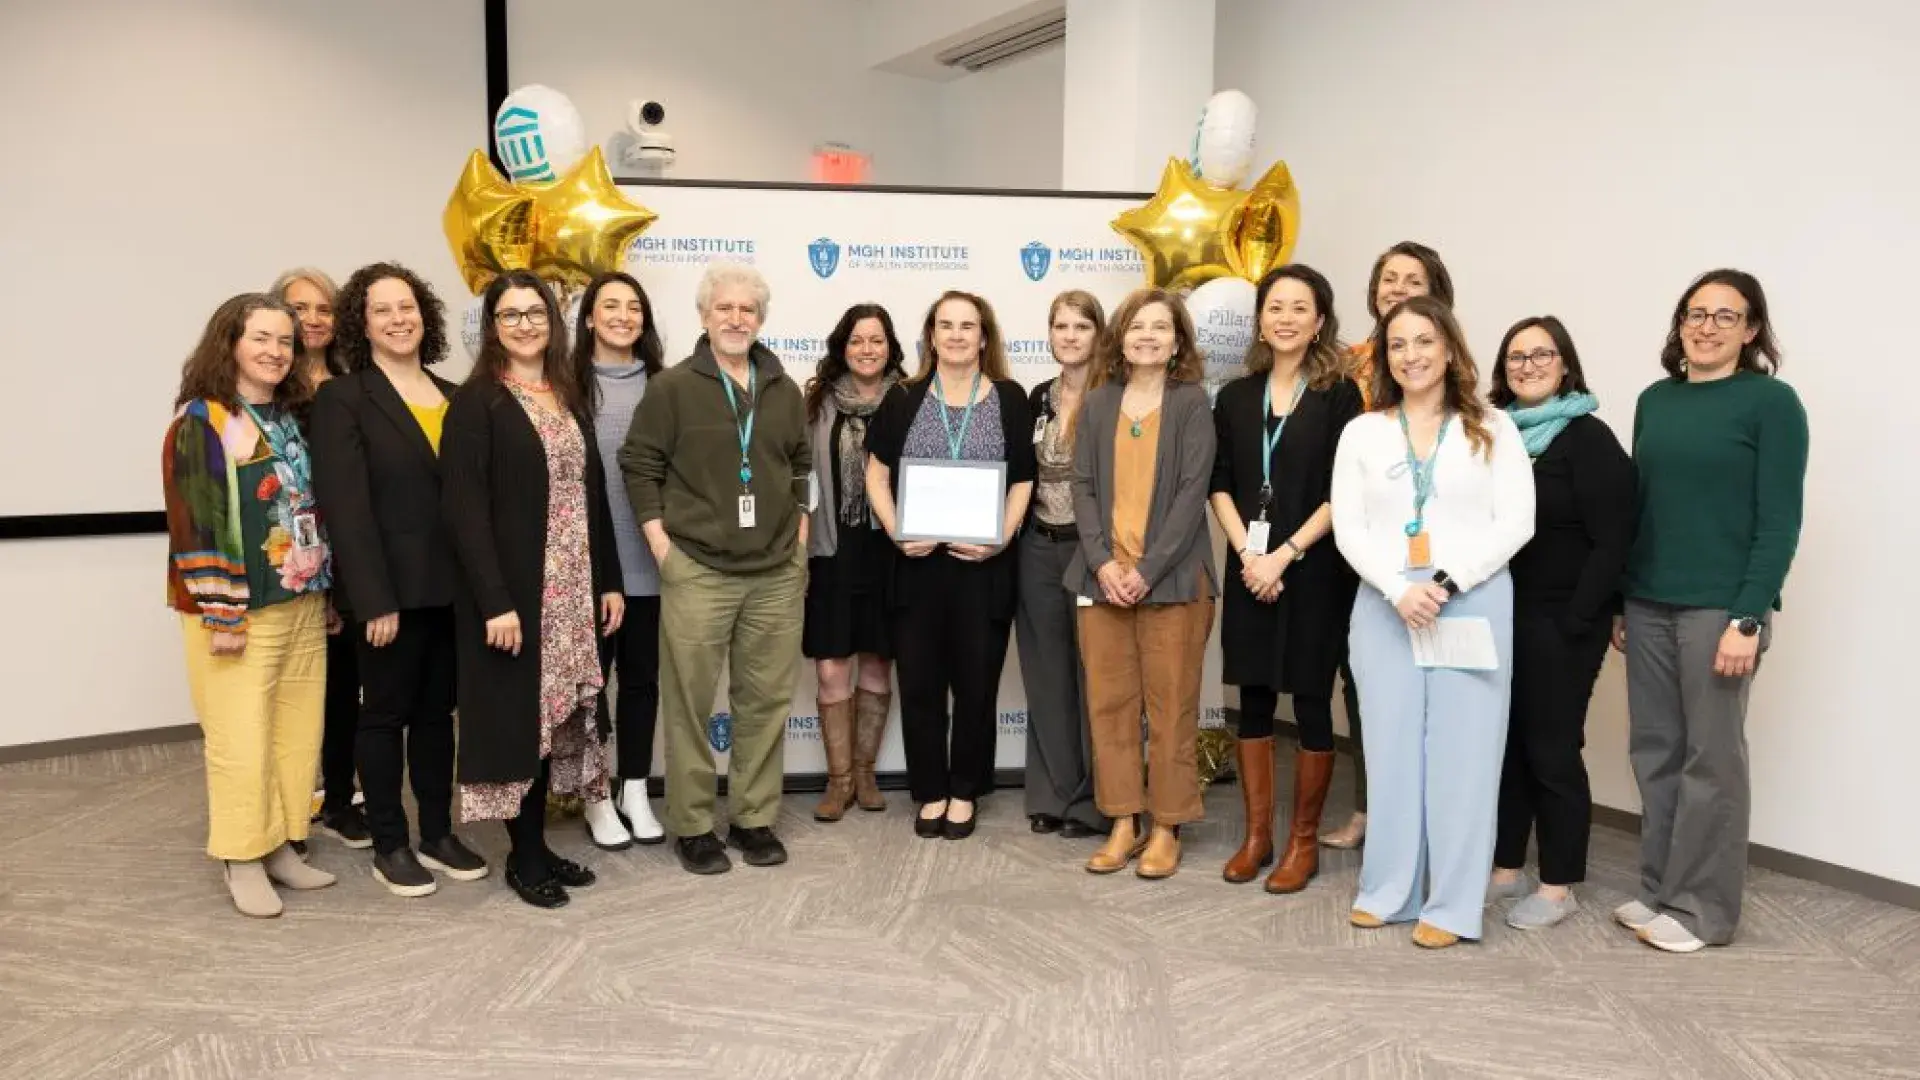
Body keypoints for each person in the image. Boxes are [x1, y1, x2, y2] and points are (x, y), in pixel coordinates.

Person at [1612, 270, 1807, 954]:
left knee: (1712, 759)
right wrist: (1621, 600)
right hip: (1649, 599)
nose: (1708, 326)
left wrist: (1748, 615)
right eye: (1697, 313)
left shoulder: (1771, 404)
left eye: (1728, 316)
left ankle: (1704, 911)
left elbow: (1779, 520)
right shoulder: (1654, 401)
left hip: (1720, 608)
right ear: (1680, 324)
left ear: (1751, 331)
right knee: (1656, 751)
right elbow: (1641, 509)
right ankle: (1663, 887)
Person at [1333, 295, 1532, 948]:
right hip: (1385, 605)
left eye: (1423, 341)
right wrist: (1398, 587)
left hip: (1469, 603)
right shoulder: (1364, 432)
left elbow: (1516, 523)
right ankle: (1389, 890)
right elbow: (1350, 526)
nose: (1410, 354)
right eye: (1397, 344)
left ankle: (1450, 906)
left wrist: (1444, 583)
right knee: (1388, 753)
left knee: (1464, 760)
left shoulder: (1493, 428)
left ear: (1449, 348)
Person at [620, 262, 810, 875]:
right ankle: (695, 825)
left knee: (765, 700)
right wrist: (660, 545)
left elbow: (801, 461)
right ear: (704, 316)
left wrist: (801, 527)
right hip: (698, 567)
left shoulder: (783, 386)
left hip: (777, 570)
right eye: (724, 308)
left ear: (760, 319)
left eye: (747, 310)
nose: (736, 318)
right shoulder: (673, 386)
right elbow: (640, 464)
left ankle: (754, 818)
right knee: (690, 703)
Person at [443, 271, 624, 909]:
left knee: (556, 721)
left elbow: (592, 495)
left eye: (535, 313)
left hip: (574, 591)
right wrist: (495, 601)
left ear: (552, 321)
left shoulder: (566, 393)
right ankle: (522, 857)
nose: (525, 324)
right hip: (519, 598)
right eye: (510, 315)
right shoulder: (478, 402)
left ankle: (541, 846)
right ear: (493, 327)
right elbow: (464, 511)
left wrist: (610, 582)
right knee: (521, 725)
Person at [311, 262, 488, 897]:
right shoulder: (344, 399)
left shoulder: (455, 393)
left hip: (453, 593)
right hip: (390, 596)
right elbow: (345, 507)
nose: (398, 319)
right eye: (382, 310)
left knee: (440, 716)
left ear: (425, 314)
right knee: (384, 718)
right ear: (363, 324)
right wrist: (370, 597)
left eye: (406, 306)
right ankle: (391, 841)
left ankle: (437, 833)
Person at [164, 293, 337, 917]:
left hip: (301, 601)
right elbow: (198, 523)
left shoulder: (288, 416)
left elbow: (308, 509)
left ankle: (283, 844)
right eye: (261, 338)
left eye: (285, 341)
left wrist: (327, 590)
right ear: (229, 342)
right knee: (241, 737)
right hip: (237, 611)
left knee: (295, 733)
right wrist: (222, 612)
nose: (275, 351)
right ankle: (241, 856)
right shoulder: (204, 421)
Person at [1209, 266, 1362, 891]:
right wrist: (1250, 553)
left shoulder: (1340, 396)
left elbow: (1342, 492)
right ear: (1261, 319)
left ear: (1319, 320)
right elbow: (1220, 484)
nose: (1287, 318)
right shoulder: (1236, 396)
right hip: (1250, 565)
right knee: (1251, 699)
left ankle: (1302, 844)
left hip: (1313, 569)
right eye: (1276, 306)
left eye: (1301, 307)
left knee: (1309, 700)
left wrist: (1284, 555)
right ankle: (1256, 838)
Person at [864, 290, 1036, 840]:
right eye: (946, 325)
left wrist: (1001, 540)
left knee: (977, 685)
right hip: (917, 568)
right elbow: (876, 475)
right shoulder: (904, 398)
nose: (957, 335)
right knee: (919, 685)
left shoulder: (1011, 398)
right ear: (931, 336)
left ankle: (965, 791)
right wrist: (897, 532)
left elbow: (1024, 480)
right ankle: (930, 791)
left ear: (984, 337)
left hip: (984, 570)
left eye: (969, 326)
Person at [1483, 317, 1636, 931]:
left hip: (1565, 619)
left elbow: (1616, 538)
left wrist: (1580, 618)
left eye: (1541, 353)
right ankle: (1505, 867)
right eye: (1516, 356)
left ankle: (1558, 884)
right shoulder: (1492, 436)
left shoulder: (1587, 438)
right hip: (1501, 614)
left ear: (1565, 364)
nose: (1527, 364)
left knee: (1551, 748)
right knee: (1510, 742)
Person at [1065, 288, 1216, 879]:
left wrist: (1146, 570)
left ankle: (1166, 825)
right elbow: (1082, 486)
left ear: (1178, 341)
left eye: (1160, 327)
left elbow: (1190, 494)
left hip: (1172, 581)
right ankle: (1123, 820)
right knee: (1110, 707)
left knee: (1172, 707)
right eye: (1136, 327)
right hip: (1102, 580)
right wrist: (1104, 563)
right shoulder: (1100, 403)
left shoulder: (1191, 404)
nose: (1147, 336)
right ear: (1120, 338)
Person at [1322, 240, 1457, 852]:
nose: (1398, 288)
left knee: (1435, 689)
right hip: (1351, 546)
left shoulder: (1449, 366)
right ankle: (1371, 808)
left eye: (1413, 279)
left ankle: (1429, 814)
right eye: (1389, 279)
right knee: (1364, 686)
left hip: (1431, 559)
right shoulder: (1343, 364)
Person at [271, 267, 367, 851]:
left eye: (323, 308)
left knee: (343, 685)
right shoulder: (267, 392)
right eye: (299, 308)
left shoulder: (354, 385)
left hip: (346, 557)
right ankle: (286, 804)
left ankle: (339, 798)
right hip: (289, 562)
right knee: (289, 688)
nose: (312, 319)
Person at [802, 304, 907, 821]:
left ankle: (865, 773)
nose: (867, 349)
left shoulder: (910, 399)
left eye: (877, 340)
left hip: (890, 551)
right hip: (833, 550)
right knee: (831, 665)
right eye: (857, 340)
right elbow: (798, 474)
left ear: (891, 346)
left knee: (878, 660)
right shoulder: (817, 401)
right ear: (842, 347)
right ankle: (837, 780)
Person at [574, 270, 668, 848]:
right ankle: (592, 793)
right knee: (590, 687)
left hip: (653, 561)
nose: (623, 315)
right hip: (588, 566)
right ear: (588, 318)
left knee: (641, 683)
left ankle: (634, 786)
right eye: (610, 305)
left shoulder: (668, 385)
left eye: (634, 306)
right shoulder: (566, 385)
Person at [1017, 290, 1108, 839]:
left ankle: (1094, 799)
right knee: (1045, 671)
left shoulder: (1114, 399)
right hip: (1037, 547)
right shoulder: (1037, 398)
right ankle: (1051, 793)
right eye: (1060, 326)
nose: (1070, 336)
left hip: (1093, 551)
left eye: (1081, 326)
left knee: (1096, 673)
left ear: (1099, 335)